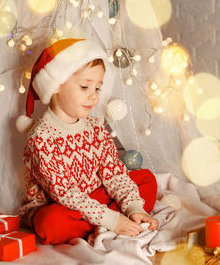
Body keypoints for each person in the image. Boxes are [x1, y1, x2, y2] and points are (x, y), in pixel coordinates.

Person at [17, 38, 159, 245]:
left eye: (97, 89)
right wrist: (112, 218)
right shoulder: (41, 137)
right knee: (50, 224)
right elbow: (64, 193)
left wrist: (134, 207)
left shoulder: (95, 126)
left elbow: (114, 173)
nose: (93, 97)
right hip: (60, 205)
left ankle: (115, 219)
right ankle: (110, 222)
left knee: (146, 179)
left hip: (95, 195)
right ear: (56, 86)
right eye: (85, 87)